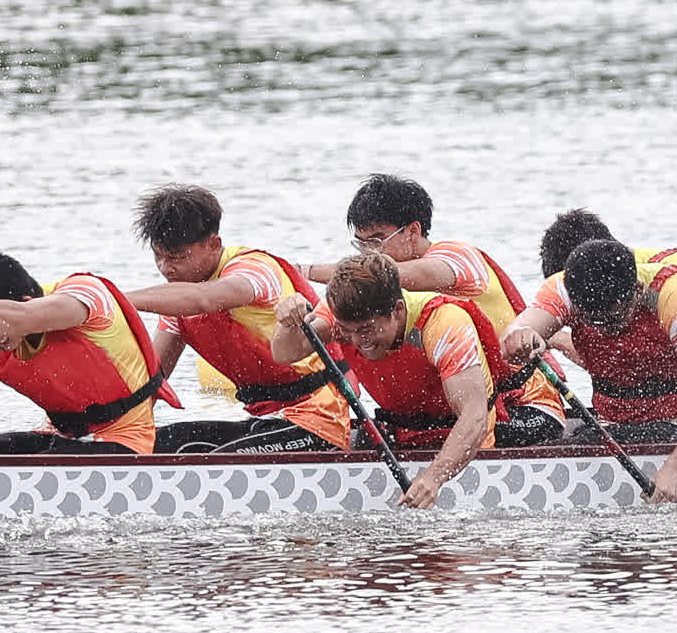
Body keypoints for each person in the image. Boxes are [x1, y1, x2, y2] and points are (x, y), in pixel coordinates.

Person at [501, 213, 677, 502]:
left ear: (636, 291)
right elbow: (517, 332)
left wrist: (675, 468)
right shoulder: (564, 288)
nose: (604, 330)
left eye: (613, 318)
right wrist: (521, 338)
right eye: (593, 321)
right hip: (623, 421)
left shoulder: (676, 296)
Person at [276, 251, 563, 506]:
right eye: (346, 332)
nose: (355, 340)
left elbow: (474, 417)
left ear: (398, 311)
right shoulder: (344, 316)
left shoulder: (443, 323)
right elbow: (284, 353)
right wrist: (288, 323)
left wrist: (433, 479)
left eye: (365, 330)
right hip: (413, 427)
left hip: (491, 424)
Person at [308, 172, 565, 425]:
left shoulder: (458, 256)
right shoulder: (379, 287)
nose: (368, 253)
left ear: (412, 231)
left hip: (525, 401)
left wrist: (304, 271)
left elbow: (410, 274)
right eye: (361, 244)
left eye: (376, 241)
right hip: (456, 407)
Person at [118, 185, 357, 454]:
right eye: (158, 256)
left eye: (177, 257)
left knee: (214, 460)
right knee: (154, 443)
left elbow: (203, 299)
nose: (165, 268)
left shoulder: (254, 270)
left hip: (322, 418)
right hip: (268, 420)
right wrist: (109, 435)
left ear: (214, 244)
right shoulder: (177, 298)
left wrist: (112, 299)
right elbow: (152, 384)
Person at [0, 252, 167, 454]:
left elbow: (22, 318)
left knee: (50, 460)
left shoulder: (86, 295)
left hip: (126, 441)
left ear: (26, 301)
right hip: (59, 438)